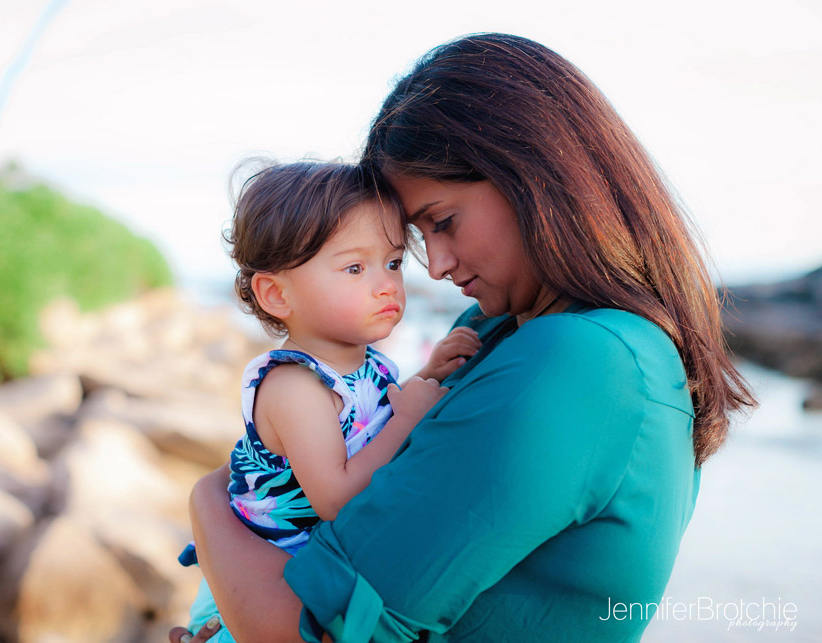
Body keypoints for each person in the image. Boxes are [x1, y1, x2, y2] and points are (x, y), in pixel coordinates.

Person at [171, 33, 756, 643]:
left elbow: (302, 632)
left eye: (442, 224)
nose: (438, 266)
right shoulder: (493, 330)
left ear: (535, 177)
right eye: (420, 240)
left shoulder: (579, 361)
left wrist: (208, 502)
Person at [178, 161, 482, 642]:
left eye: (394, 262)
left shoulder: (364, 365)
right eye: (355, 268)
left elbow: (371, 423)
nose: (387, 284)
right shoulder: (294, 386)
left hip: (301, 576)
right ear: (276, 294)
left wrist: (428, 374)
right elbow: (336, 497)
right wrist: (409, 418)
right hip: (248, 597)